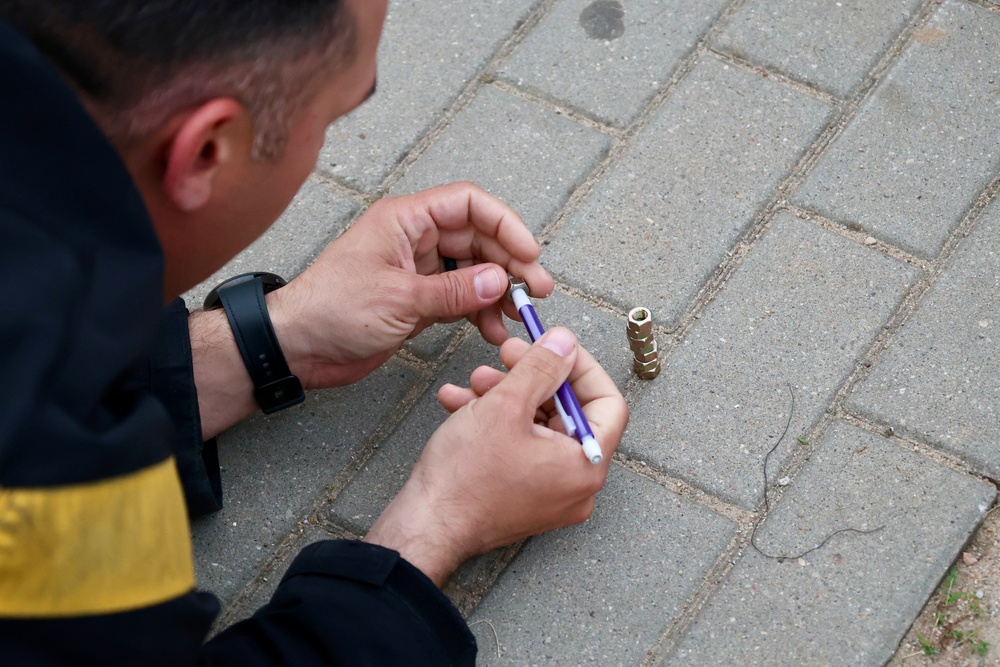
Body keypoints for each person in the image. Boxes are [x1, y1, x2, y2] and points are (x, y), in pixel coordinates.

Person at [0, 0, 629, 665]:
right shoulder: (49, 490)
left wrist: (267, 341)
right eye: (332, 118)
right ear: (208, 151)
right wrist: (435, 523)